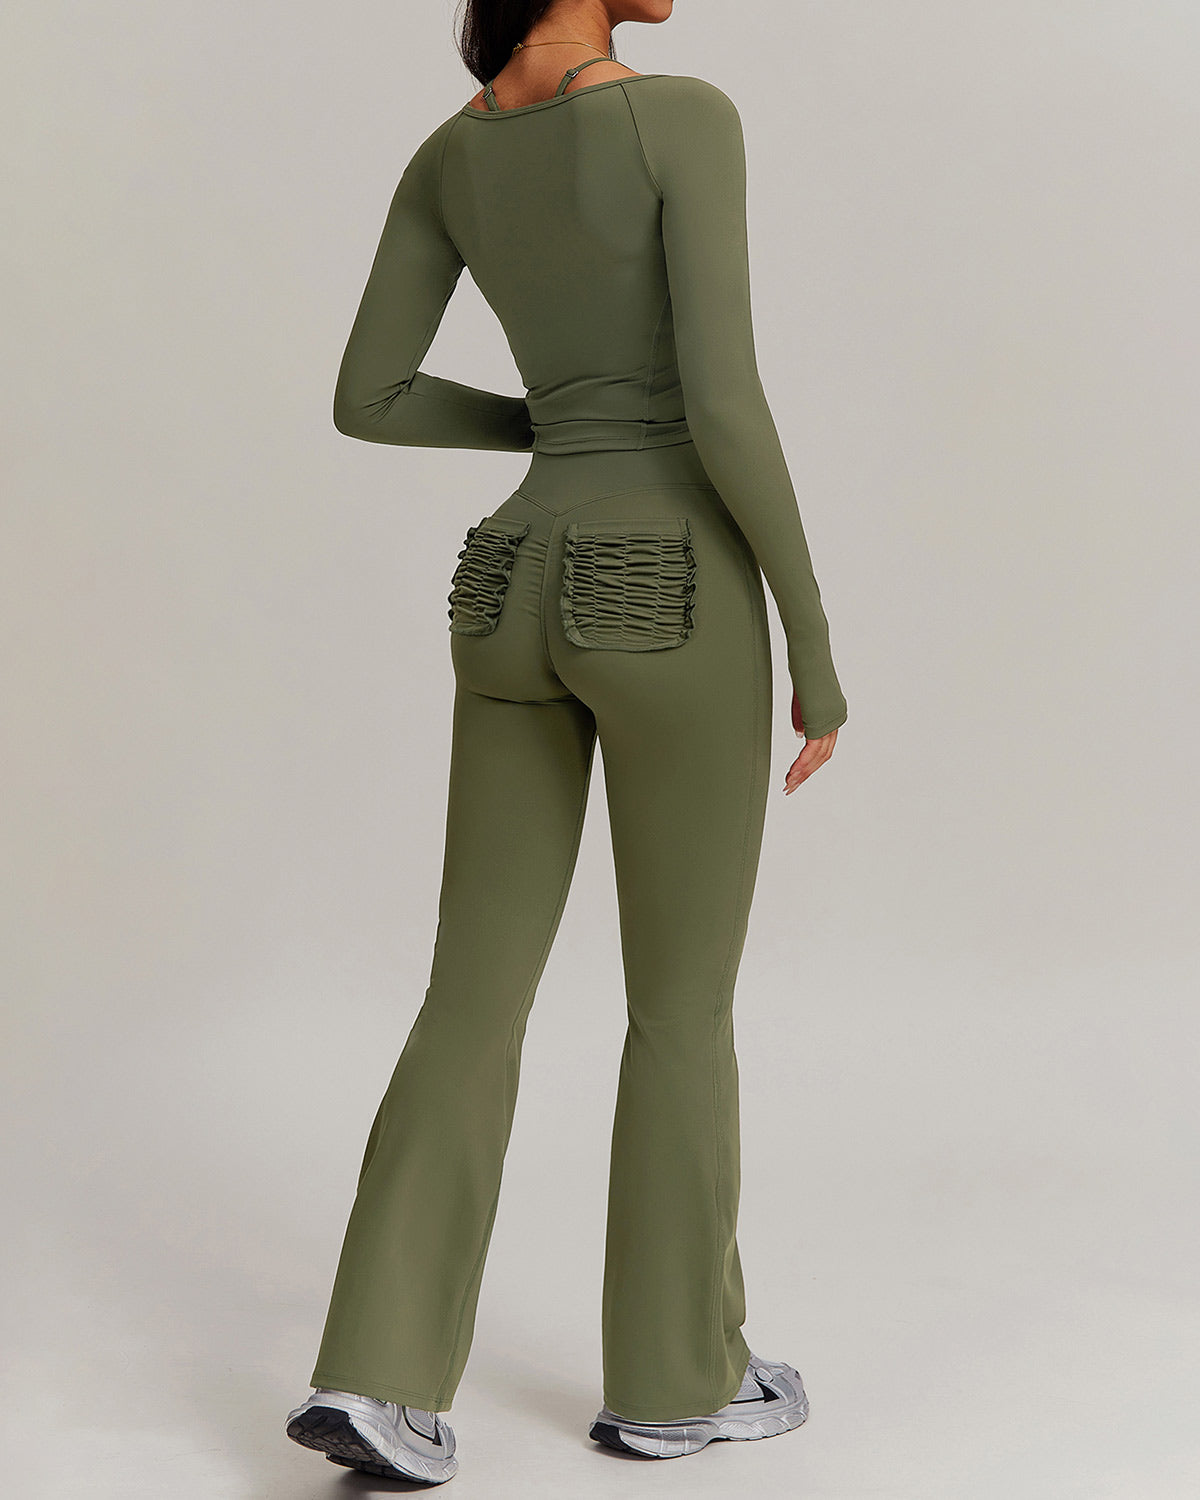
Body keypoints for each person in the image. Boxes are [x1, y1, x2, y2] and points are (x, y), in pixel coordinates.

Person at [284, 0, 847, 1482]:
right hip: (669, 587)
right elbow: (722, 402)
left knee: (470, 989)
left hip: (508, 580)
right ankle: (678, 1380)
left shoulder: (448, 156)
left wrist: (554, 428)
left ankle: (375, 1377)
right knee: (679, 1004)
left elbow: (369, 398)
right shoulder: (683, 118)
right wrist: (813, 642)